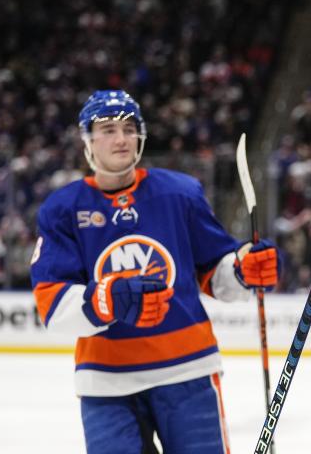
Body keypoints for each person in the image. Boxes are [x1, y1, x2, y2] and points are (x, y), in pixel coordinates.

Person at [30, 90, 278, 453]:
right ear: (87, 140)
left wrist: (244, 271)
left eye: (129, 128)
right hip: (106, 383)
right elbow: (52, 305)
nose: (121, 138)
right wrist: (105, 300)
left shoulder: (180, 193)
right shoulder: (63, 209)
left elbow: (214, 271)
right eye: (109, 129)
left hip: (188, 372)